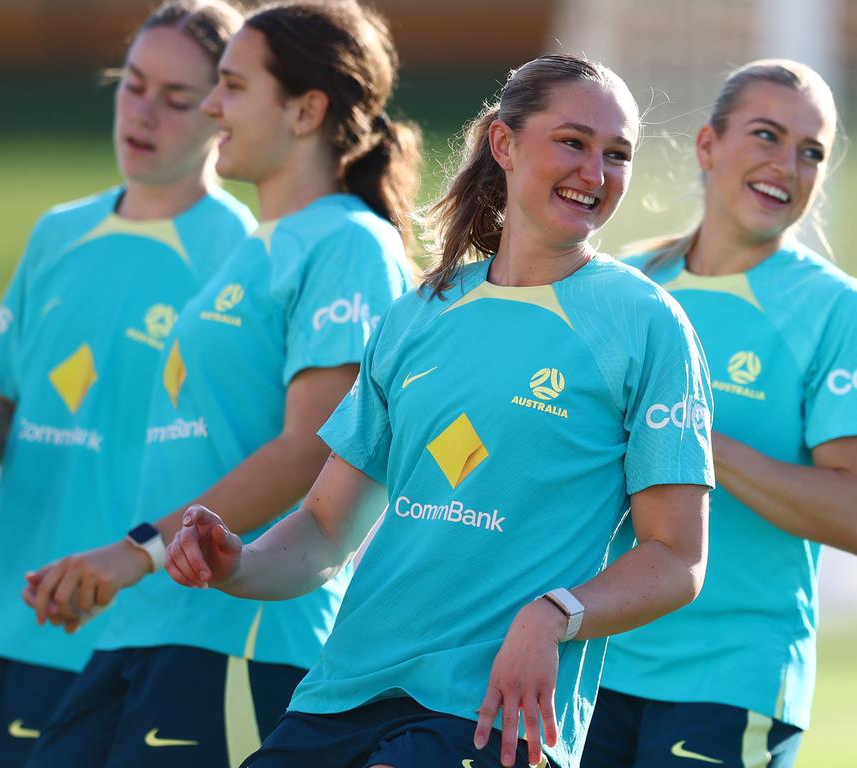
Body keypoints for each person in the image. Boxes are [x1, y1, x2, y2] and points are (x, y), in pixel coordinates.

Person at [166, 53, 715, 768]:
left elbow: (676, 557)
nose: (595, 173)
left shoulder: (647, 325)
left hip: (493, 716)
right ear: (505, 143)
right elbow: (328, 529)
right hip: (341, 695)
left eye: (617, 155)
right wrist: (238, 562)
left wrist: (557, 614)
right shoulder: (419, 314)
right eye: (573, 142)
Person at [21, 3, 421, 767]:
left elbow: (313, 450)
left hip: (248, 643)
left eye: (232, 88)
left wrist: (135, 550)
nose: (211, 106)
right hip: (154, 624)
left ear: (306, 110)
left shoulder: (349, 245)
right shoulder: (253, 250)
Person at [0, 2, 254, 767]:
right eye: (132, 85)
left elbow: (248, 452)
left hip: (99, 621)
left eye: (176, 98)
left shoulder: (239, 255)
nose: (144, 113)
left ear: (222, 110)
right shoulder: (58, 233)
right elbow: (10, 410)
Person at [583, 60, 857, 768]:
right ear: (707, 146)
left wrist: (687, 432)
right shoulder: (625, 287)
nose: (788, 165)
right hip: (593, 659)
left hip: (733, 677)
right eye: (766, 135)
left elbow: (856, 516)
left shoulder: (838, 311)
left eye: (810, 151)